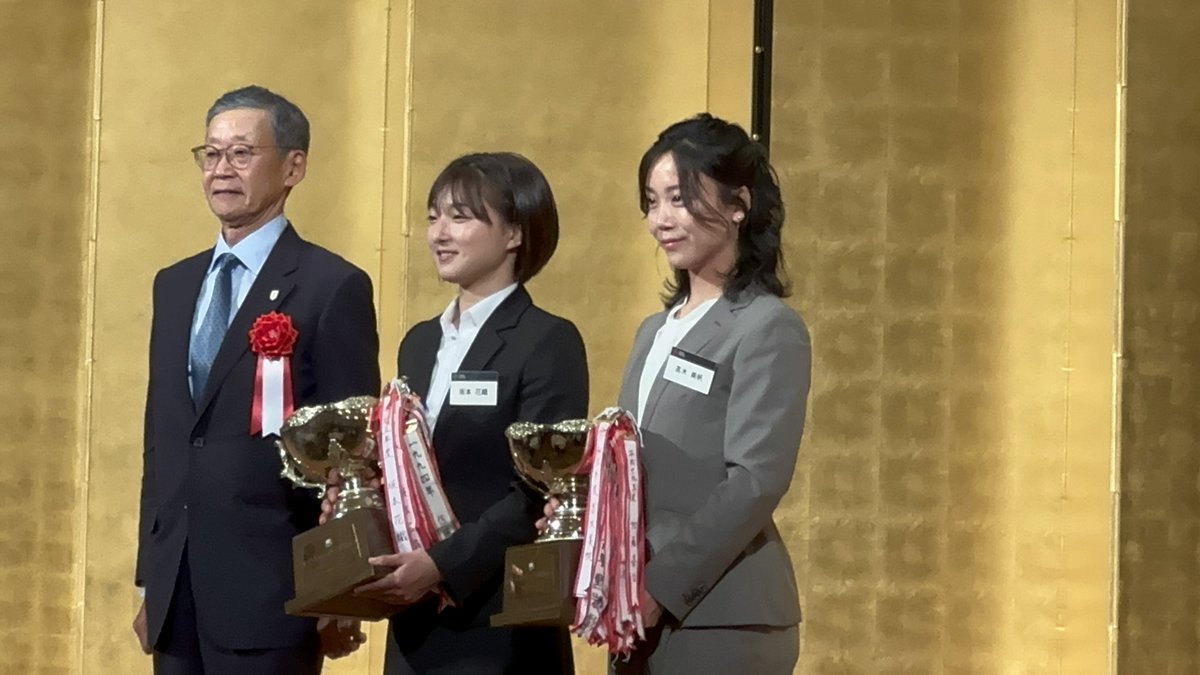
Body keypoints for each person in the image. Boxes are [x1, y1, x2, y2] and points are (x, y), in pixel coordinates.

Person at [133, 85, 381, 674]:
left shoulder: (330, 286)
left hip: (273, 589)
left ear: (294, 166)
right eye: (211, 154)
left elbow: (354, 451)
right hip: (178, 588)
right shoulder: (174, 284)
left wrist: (342, 585)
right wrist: (150, 577)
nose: (222, 170)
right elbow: (164, 436)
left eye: (242, 153)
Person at [324, 152, 587, 674]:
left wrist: (441, 565)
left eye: (460, 217)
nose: (439, 233)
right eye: (432, 216)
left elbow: (538, 490)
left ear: (514, 232)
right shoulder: (419, 345)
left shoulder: (547, 341)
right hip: (414, 620)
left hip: (500, 619)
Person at [611, 113, 811, 673]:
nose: (660, 220)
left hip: (723, 616)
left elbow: (755, 479)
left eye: (678, 198)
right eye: (652, 202)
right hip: (637, 610)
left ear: (738, 203)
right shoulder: (654, 329)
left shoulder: (766, 326)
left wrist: (663, 583)